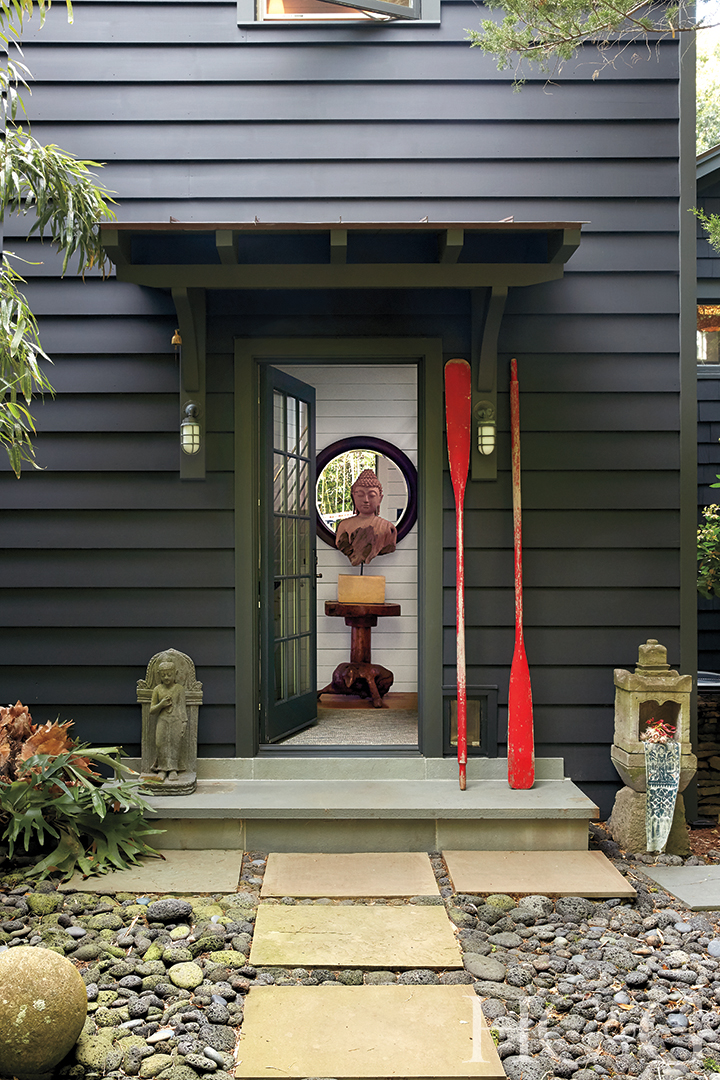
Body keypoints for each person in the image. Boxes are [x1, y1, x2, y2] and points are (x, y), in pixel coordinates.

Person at [336, 468, 397, 567]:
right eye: (360, 495)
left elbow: (389, 546)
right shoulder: (344, 525)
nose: (366, 500)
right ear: (353, 497)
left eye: (372, 495)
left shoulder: (387, 527)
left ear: (380, 499)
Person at [149, 661, 188, 780]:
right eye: (163, 675)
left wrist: (184, 723)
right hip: (163, 720)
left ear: (175, 674)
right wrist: (161, 704)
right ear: (159, 675)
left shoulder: (179, 689)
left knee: (175, 744)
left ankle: (173, 769)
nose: (166, 677)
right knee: (160, 743)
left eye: (169, 674)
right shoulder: (157, 689)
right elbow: (152, 710)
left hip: (176, 720)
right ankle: (161, 768)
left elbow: (182, 707)